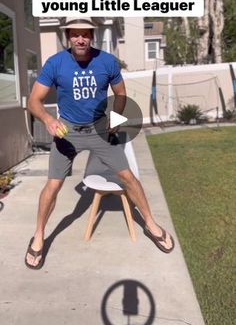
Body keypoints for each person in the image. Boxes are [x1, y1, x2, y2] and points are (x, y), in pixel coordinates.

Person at [25, 17, 174, 270]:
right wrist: (49, 120)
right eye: (75, 35)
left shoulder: (106, 61)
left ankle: (150, 223)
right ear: (68, 37)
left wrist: (116, 116)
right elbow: (34, 101)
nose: (80, 39)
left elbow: (121, 93)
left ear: (92, 36)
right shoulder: (55, 64)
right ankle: (39, 235)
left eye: (85, 34)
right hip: (67, 130)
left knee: (128, 177)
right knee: (53, 184)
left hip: (100, 129)